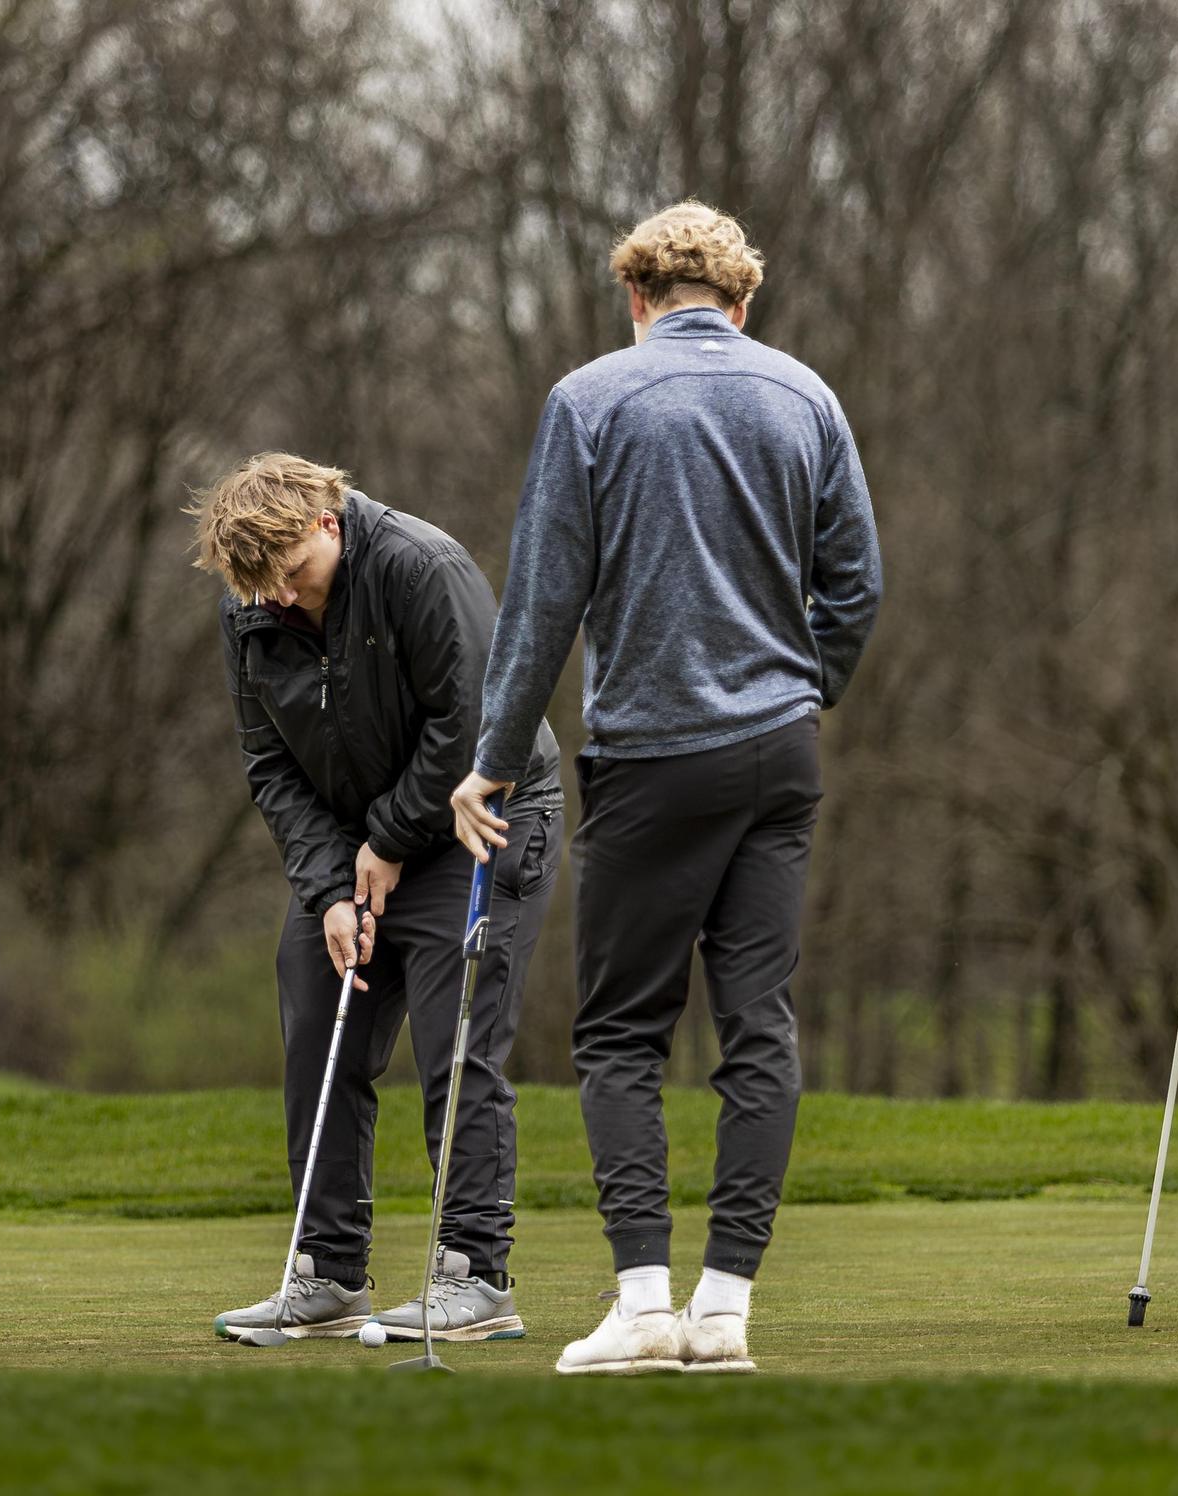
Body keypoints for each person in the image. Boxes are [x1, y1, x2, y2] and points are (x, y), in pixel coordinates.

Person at [451, 202, 881, 1373]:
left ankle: (646, 1303)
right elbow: (856, 585)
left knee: (622, 1034)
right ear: (742, 301)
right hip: (780, 753)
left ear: (636, 299)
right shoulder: (807, 396)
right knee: (758, 1026)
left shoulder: (592, 398)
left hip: (650, 755)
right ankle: (727, 1306)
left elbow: (543, 602)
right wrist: (804, 688)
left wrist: (492, 758)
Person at [192, 453, 564, 1343]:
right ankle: (327, 1272)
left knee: (456, 1045)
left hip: (485, 817)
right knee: (320, 1018)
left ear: (327, 522)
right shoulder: (251, 605)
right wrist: (328, 887)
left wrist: (390, 842)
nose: (280, 599)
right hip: (358, 845)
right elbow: (270, 764)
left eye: (292, 575)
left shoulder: (417, 567)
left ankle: (475, 1275)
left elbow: (473, 724)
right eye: (260, 586)